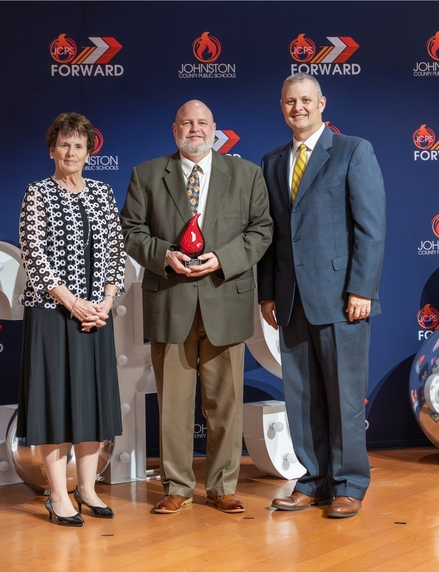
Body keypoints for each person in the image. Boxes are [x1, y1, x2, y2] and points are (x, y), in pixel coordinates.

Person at [121, 100, 273, 514]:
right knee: (172, 404)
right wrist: (163, 254)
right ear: (174, 129)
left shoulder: (246, 175)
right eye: (187, 123)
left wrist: (223, 258)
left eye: (202, 123)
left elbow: (262, 231)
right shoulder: (147, 175)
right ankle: (177, 487)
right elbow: (131, 232)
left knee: (225, 404)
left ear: (215, 129)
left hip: (225, 301)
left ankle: (222, 486)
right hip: (170, 301)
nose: (195, 129)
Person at [257, 73, 386, 518]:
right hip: (290, 299)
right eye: (291, 101)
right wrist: (268, 293)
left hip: (341, 299)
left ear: (322, 103)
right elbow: (272, 235)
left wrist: (361, 289)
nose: (299, 108)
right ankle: (312, 480)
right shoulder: (272, 161)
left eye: (306, 100)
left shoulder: (353, 150)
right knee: (303, 396)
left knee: (345, 398)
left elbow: (370, 228)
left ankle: (349, 484)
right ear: (282, 106)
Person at [17, 112, 127, 527]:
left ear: (88, 152)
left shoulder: (102, 192)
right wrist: (71, 302)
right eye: (64, 144)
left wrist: (105, 302)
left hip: (96, 315)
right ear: (52, 150)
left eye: (78, 145)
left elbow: (116, 252)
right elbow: (34, 254)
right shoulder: (38, 193)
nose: (71, 152)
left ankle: (88, 489)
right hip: (52, 313)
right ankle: (58, 494)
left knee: (91, 403)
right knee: (54, 403)